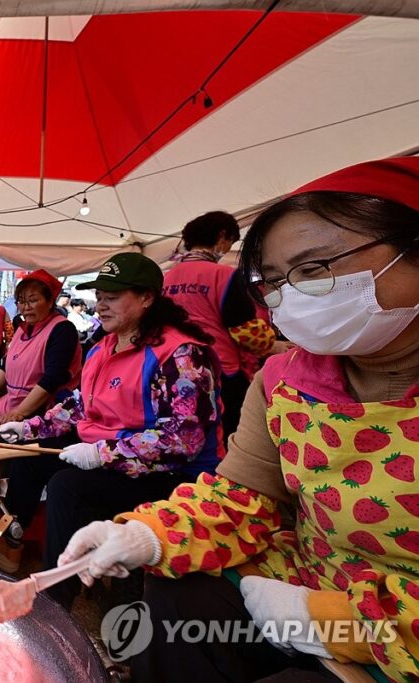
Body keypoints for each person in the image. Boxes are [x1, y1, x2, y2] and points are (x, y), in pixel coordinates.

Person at [58, 157, 419, 683]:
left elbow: (180, 438)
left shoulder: (183, 356)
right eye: (274, 282)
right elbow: (243, 497)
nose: (290, 296)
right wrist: (147, 534)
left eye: (314, 270)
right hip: (304, 575)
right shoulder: (282, 379)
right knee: (175, 584)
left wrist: (332, 623)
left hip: (391, 623)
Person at [0, 253, 222, 588]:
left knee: (67, 488)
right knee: (30, 457)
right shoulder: (102, 347)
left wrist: (103, 454)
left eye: (112, 298)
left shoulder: (181, 353)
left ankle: (56, 595)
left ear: (147, 298)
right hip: (110, 450)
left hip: (169, 471)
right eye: (99, 297)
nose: (101, 306)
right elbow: (80, 404)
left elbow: (184, 439)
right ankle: (13, 540)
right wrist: (28, 428)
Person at [165, 210, 283, 443]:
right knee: (233, 435)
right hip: (221, 370)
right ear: (222, 236)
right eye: (231, 241)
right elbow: (243, 328)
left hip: (174, 367)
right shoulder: (224, 275)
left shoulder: (166, 278)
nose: (228, 248)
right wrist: (272, 344)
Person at [0, 270, 80, 428]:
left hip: (42, 411)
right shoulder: (22, 328)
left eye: (33, 300)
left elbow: (52, 379)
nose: (26, 307)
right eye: (21, 301)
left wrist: (20, 412)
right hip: (11, 403)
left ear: (50, 301)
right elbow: (5, 366)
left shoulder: (62, 329)